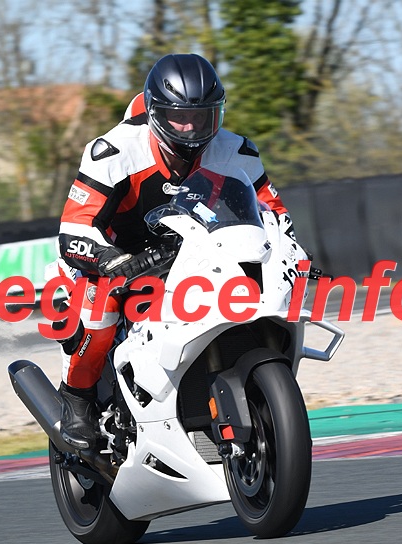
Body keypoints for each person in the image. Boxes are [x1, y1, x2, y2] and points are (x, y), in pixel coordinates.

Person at [55, 53, 295, 450]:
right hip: (120, 255)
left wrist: (292, 254)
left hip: (196, 249)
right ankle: (76, 398)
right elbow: (74, 226)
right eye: (178, 117)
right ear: (154, 112)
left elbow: (275, 216)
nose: (190, 128)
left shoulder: (237, 151)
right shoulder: (114, 151)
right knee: (100, 310)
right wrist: (112, 261)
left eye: (201, 117)